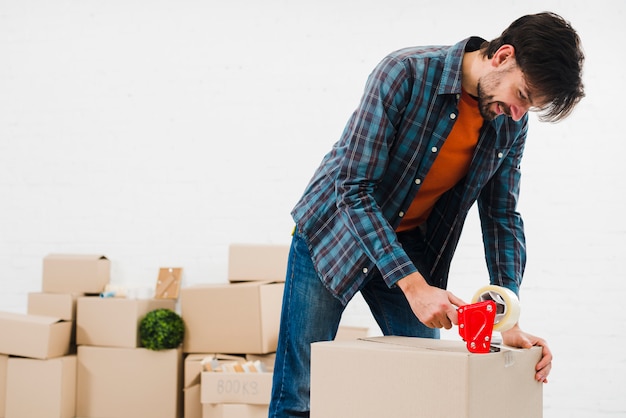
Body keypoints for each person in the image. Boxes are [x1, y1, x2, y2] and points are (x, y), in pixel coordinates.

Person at [269, 11, 585, 417]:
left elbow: (502, 215)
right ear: (503, 56)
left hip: (408, 244)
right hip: (334, 233)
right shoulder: (406, 72)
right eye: (522, 96)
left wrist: (508, 319)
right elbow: (352, 189)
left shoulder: (510, 122)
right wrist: (415, 288)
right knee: (300, 395)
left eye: (530, 108)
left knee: (430, 390)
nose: (519, 114)